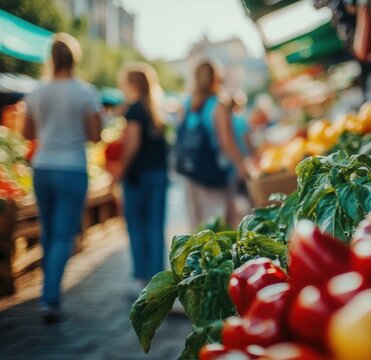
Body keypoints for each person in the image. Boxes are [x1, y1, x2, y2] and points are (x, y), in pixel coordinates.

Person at [23, 33, 102, 323]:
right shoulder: (85, 93)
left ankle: (48, 291)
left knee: (48, 232)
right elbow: (95, 136)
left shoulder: (36, 92)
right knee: (62, 236)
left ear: (51, 58)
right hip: (72, 168)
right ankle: (50, 298)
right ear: (75, 59)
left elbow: (26, 133)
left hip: (42, 167)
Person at [110, 62, 169, 293]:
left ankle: (140, 278)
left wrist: (121, 170)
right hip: (158, 173)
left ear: (132, 83)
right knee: (155, 226)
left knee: (136, 225)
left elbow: (132, 143)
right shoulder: (154, 110)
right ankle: (158, 279)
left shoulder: (134, 109)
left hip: (138, 176)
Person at [176, 61, 246, 228]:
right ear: (216, 78)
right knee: (221, 227)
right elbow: (227, 143)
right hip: (215, 175)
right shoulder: (218, 105)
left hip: (192, 175)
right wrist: (241, 165)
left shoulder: (186, 104)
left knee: (198, 229)